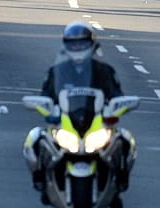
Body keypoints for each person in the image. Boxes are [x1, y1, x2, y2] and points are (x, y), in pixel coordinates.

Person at [29, 22, 132, 196]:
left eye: (82, 43)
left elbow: (117, 95)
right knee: (36, 138)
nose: (77, 47)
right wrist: (46, 108)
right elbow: (45, 95)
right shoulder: (57, 71)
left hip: (96, 121)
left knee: (125, 139)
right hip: (66, 122)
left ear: (91, 44)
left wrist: (116, 108)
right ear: (66, 45)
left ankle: (120, 177)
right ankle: (41, 177)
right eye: (73, 43)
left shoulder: (104, 71)